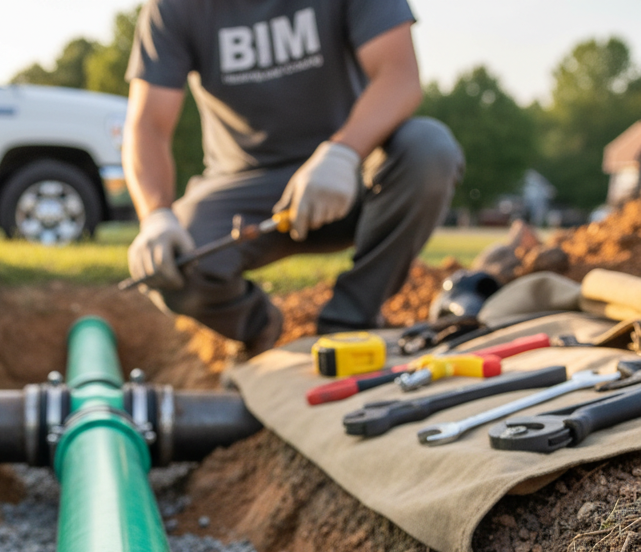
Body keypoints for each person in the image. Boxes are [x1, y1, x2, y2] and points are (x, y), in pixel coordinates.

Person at [123, 0, 464, 357]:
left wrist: (343, 153)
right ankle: (259, 328)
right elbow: (148, 125)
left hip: (354, 175)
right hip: (244, 191)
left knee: (429, 148)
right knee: (172, 263)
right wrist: (156, 217)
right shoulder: (174, 7)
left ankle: (351, 319)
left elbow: (400, 78)